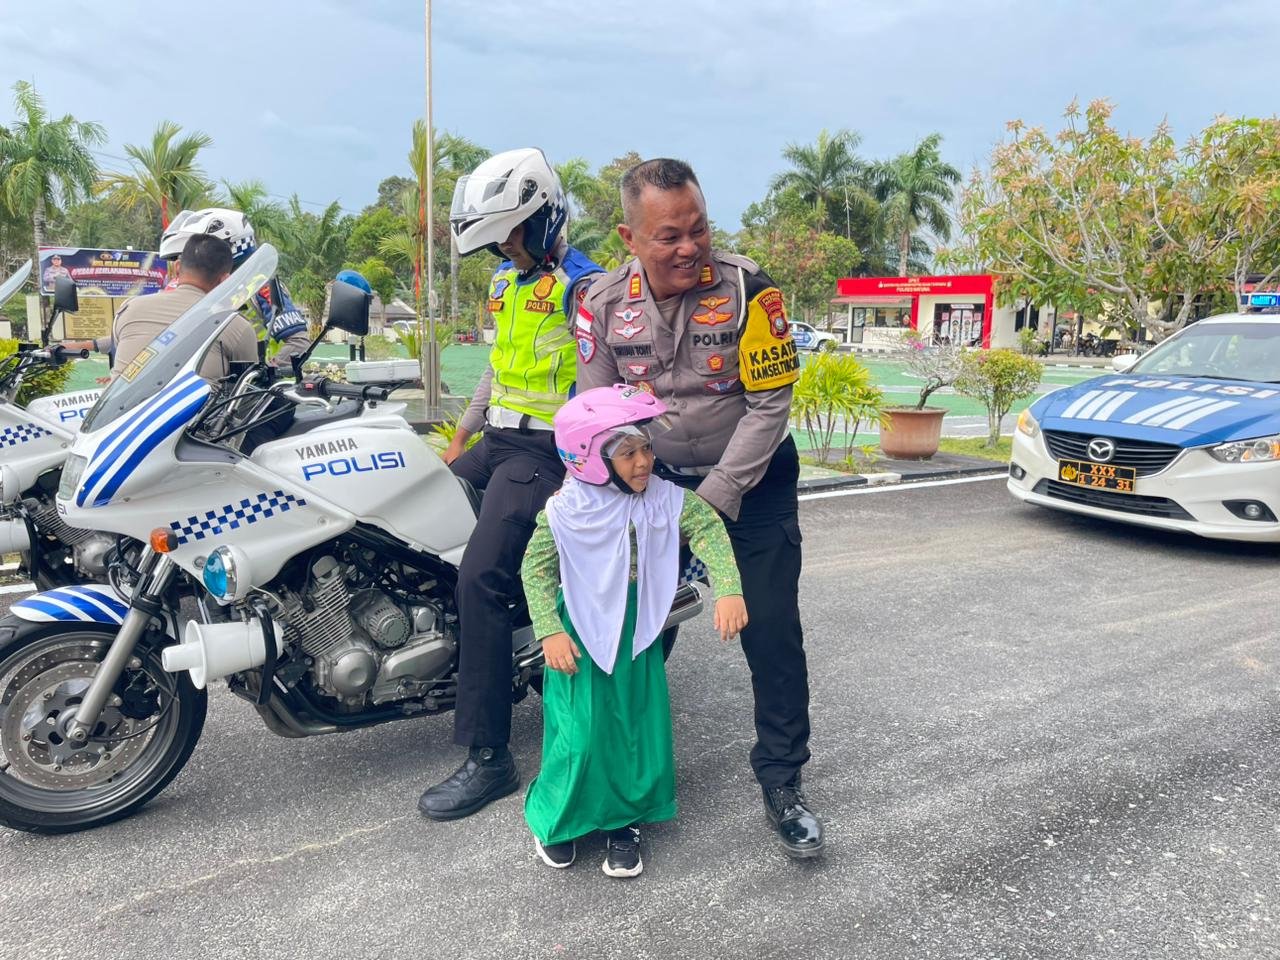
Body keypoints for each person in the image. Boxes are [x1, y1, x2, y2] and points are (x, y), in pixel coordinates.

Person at [576, 158, 824, 858]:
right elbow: (598, 415)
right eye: (669, 236)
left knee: (771, 631)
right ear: (629, 237)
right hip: (653, 486)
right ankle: (623, 785)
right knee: (631, 636)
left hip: (753, 483)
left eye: (700, 229)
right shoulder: (599, 304)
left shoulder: (750, 289)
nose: (690, 248)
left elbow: (769, 405)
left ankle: (783, 780)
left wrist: (710, 505)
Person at [417, 147, 605, 821]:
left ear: (546, 216)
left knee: (481, 578)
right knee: (408, 517)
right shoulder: (505, 282)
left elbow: (598, 382)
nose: (504, 246)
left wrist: (585, 465)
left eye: (511, 232)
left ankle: (489, 756)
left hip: (547, 452)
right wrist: (460, 441)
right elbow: (497, 371)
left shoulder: (586, 287)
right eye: (496, 238)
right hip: (496, 440)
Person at [521, 384, 746, 877]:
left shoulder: (664, 498)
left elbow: (708, 527)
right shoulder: (565, 510)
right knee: (579, 731)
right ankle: (558, 818)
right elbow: (535, 569)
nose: (643, 462)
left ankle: (626, 821)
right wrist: (549, 630)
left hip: (637, 627)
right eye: (627, 454)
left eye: (646, 448)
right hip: (579, 628)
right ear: (590, 461)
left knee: (634, 726)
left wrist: (729, 588)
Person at [110, 234, 256, 382]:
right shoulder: (234, 324)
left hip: (128, 398)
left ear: (177, 267)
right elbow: (248, 384)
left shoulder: (130, 308)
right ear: (225, 280)